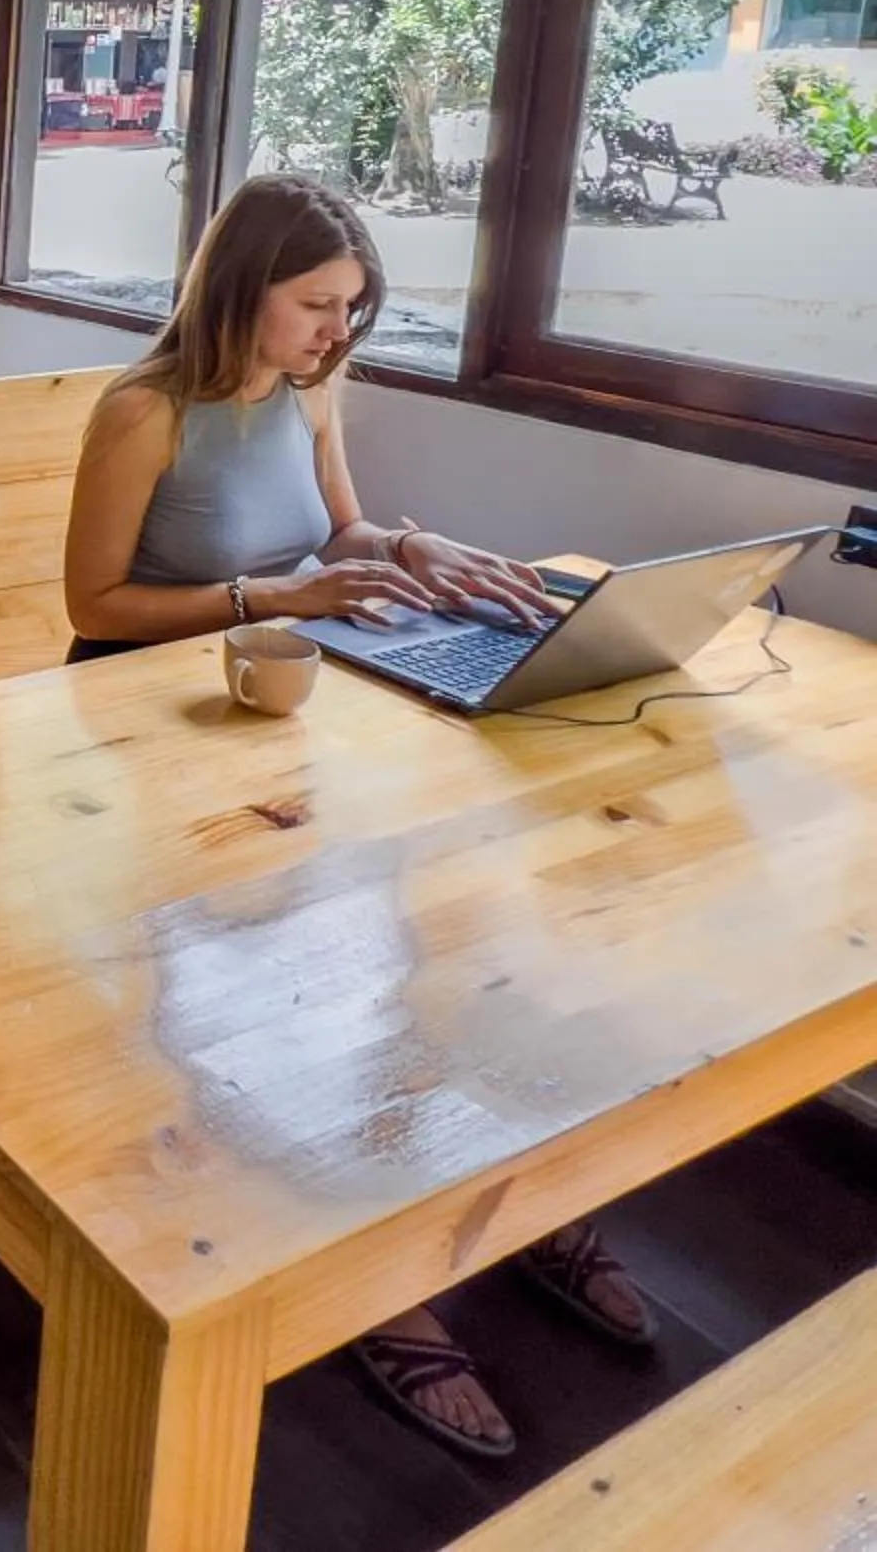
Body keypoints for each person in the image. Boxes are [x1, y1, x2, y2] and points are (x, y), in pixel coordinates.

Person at [59, 173, 652, 1459]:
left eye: (353, 309)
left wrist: (408, 548)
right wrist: (278, 597)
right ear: (242, 291)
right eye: (317, 305)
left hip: (286, 702)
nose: (339, 332)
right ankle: (374, 1277)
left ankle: (510, 1195)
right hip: (154, 726)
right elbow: (97, 607)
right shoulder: (143, 411)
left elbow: (343, 532)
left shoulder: (309, 389)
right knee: (297, 989)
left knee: (444, 928)